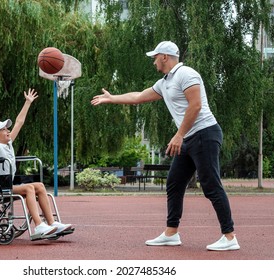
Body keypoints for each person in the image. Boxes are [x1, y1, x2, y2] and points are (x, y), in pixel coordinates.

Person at [91, 41, 240, 251]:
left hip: (205, 134)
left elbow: (196, 105)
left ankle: (229, 236)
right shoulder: (165, 82)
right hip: (188, 137)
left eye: (155, 57)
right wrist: (112, 98)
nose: (153, 62)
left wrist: (179, 135)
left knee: (210, 184)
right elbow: (138, 97)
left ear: (164, 57)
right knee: (174, 182)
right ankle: (171, 233)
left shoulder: (186, 74)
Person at [0, 88, 73, 241]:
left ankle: (52, 222)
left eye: (7, 128)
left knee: (40, 186)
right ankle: (38, 225)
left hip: (8, 185)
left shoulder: (8, 144)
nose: (8, 130)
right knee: (29, 188)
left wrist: (28, 102)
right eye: (4, 129)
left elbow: (19, 122)